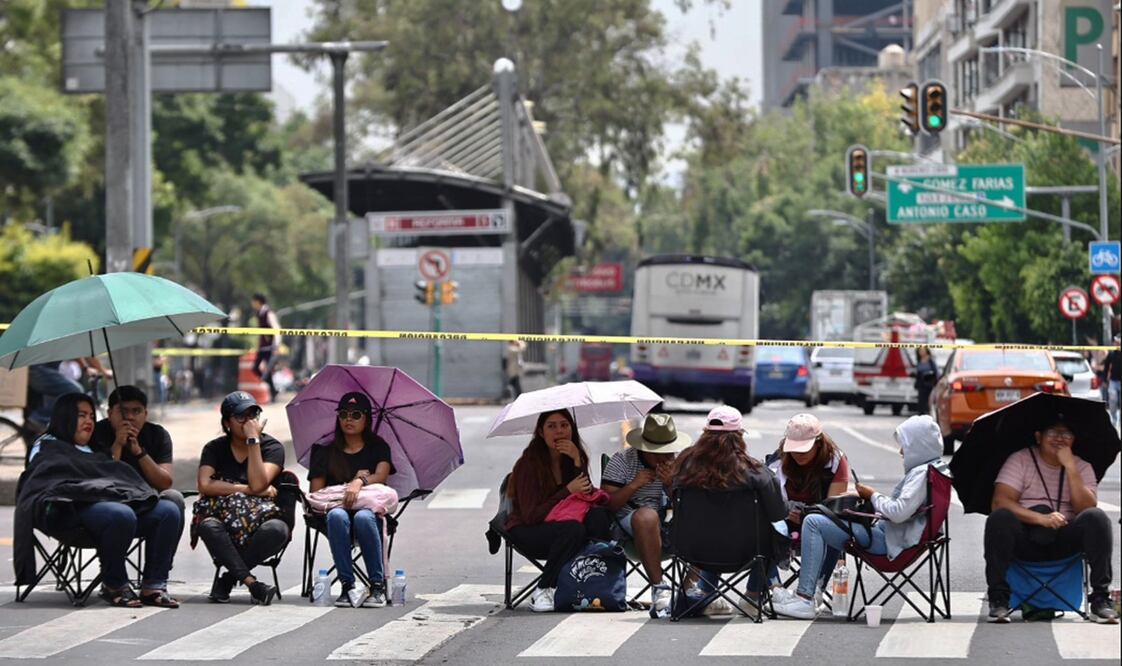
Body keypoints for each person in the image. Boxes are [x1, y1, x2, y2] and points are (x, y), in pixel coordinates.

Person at [773, 415, 945, 620]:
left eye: (905, 446)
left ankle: (805, 598)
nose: (900, 452)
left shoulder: (921, 474)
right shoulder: (934, 470)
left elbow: (898, 512)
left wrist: (871, 494)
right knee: (828, 518)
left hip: (888, 541)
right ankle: (813, 592)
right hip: (891, 535)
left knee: (813, 522)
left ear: (919, 446)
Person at [18, 393, 182, 608]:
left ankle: (154, 585)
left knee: (168, 510)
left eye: (91, 417)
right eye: (81, 415)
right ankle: (114, 584)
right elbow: (44, 483)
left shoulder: (96, 446)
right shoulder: (46, 445)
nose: (89, 421)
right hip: (69, 514)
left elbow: (112, 478)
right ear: (65, 417)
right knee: (119, 513)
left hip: (111, 510)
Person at [983, 418, 1117, 624]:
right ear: (1039, 437)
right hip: (1026, 536)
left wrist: (1071, 467)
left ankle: (1100, 598)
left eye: (1066, 434)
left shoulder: (1082, 466)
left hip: (1064, 538)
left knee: (1096, 518)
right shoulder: (1020, 459)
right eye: (1053, 433)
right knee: (999, 518)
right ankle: (999, 598)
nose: (1060, 439)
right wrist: (1041, 519)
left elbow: (1086, 508)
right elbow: (1000, 501)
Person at [671, 405, 787, 612]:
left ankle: (706, 593)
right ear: (740, 436)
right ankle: (752, 595)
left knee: (711, 529)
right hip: (747, 552)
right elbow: (778, 512)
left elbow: (672, 498)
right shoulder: (755, 471)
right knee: (775, 530)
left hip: (692, 550)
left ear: (705, 434)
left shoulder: (683, 466)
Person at [505, 409, 611, 612]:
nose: (559, 431)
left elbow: (584, 496)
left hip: (563, 531)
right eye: (551, 426)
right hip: (528, 531)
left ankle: (598, 585)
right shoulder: (529, 465)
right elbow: (531, 516)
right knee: (573, 529)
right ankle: (543, 589)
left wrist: (578, 461)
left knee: (599, 516)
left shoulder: (572, 458)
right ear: (541, 432)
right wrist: (566, 491)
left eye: (564, 425)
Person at [196, 391, 287, 605]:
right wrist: (246, 489)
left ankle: (227, 579)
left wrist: (253, 441)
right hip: (222, 518)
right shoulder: (214, 448)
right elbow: (205, 484)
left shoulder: (272, 447)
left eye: (252, 415)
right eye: (240, 417)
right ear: (227, 423)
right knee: (208, 526)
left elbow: (259, 483)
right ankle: (252, 584)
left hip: (261, 520)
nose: (248, 422)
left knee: (278, 530)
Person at [307, 392, 396, 608]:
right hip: (333, 512)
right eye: (344, 414)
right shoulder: (324, 452)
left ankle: (377, 586)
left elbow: (381, 477)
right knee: (337, 516)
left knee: (364, 518)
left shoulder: (379, 448)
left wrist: (359, 481)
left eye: (356, 414)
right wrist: (345, 491)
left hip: (369, 513)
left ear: (367, 419)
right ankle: (348, 586)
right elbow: (316, 493)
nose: (349, 419)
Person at [600, 412, 692, 618]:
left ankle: (689, 593)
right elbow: (607, 506)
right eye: (658, 453)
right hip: (627, 525)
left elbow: (687, 506)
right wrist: (634, 485)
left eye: (668, 453)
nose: (664, 458)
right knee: (646, 516)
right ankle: (659, 587)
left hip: (664, 524)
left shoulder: (676, 464)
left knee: (703, 521)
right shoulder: (622, 461)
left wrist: (670, 485)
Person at [758, 413, 851, 603]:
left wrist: (807, 514)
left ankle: (817, 587)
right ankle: (775, 588)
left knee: (835, 526)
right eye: (794, 449)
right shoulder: (777, 462)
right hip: (784, 522)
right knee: (759, 526)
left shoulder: (835, 461)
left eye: (804, 450)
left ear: (818, 444)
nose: (798, 455)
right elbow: (770, 502)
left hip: (820, 520)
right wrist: (785, 512)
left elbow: (835, 507)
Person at [250, 293, 281, 401]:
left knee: (267, 371)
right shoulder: (259, 313)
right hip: (262, 347)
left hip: (270, 347)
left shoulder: (268, 313)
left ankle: (273, 392)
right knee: (255, 368)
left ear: (258, 301)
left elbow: (276, 328)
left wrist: (277, 345)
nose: (252, 304)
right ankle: (273, 390)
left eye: (253, 301)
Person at [914, 346, 938, 415]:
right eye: (920, 351)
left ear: (926, 351)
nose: (921, 352)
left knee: (928, 400)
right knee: (921, 400)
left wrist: (935, 381)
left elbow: (935, 371)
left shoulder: (930, 360)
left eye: (923, 350)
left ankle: (928, 414)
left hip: (929, 383)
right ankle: (921, 414)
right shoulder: (919, 360)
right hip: (921, 383)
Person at [1104, 337, 1121, 427]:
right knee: (1113, 401)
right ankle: (1114, 419)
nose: (1116, 344)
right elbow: (1106, 367)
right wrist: (1104, 380)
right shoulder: (1111, 354)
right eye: (1115, 342)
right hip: (1113, 381)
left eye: (1118, 342)